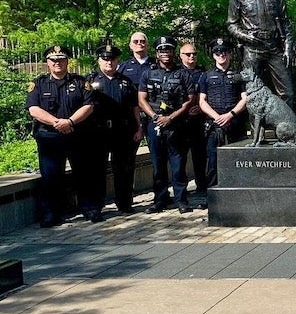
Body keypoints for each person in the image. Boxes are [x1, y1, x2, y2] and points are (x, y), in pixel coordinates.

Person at [27, 45, 95, 227]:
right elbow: (33, 109)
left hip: (77, 134)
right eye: (53, 60)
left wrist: (70, 122)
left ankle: (89, 209)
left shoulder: (81, 82)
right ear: (47, 63)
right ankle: (51, 214)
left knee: (84, 173)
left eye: (61, 59)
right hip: (49, 137)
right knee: (51, 177)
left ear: (67, 61)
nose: (57, 63)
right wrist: (57, 123)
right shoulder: (38, 84)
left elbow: (89, 106)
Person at [138, 36, 197, 214]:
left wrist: (170, 117)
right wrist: (155, 116)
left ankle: (181, 199)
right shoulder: (148, 73)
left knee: (178, 165)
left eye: (169, 50)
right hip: (154, 124)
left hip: (177, 125)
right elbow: (141, 99)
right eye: (162, 51)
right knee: (158, 164)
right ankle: (160, 200)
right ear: (157, 53)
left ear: (173, 53)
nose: (165, 54)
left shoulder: (183, 74)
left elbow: (189, 100)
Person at [226, 0, 294, 107]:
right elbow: (231, 25)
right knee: (252, 92)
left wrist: (288, 48)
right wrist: (246, 37)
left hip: (274, 46)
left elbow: (286, 23)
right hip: (252, 49)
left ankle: (288, 127)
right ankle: (257, 130)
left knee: (287, 92)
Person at [86, 42, 142, 215]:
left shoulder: (125, 81)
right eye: (105, 59)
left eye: (112, 59)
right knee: (97, 169)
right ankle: (97, 205)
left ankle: (124, 203)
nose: (109, 63)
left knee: (124, 168)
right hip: (98, 132)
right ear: (99, 61)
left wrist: (139, 127)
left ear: (117, 61)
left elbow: (135, 106)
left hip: (123, 131)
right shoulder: (90, 81)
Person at [198, 38, 248, 189]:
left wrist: (230, 115)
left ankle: (239, 192)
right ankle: (212, 196)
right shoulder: (205, 76)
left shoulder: (239, 75)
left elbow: (246, 99)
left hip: (235, 122)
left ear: (230, 54)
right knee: (213, 161)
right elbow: (201, 101)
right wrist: (218, 117)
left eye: (224, 52)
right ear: (213, 55)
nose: (221, 55)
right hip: (214, 124)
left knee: (238, 160)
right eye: (218, 52)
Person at [179, 42, 208, 197]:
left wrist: (199, 107)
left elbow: (206, 93)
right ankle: (182, 191)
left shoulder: (202, 73)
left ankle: (202, 187)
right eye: (188, 54)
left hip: (198, 120)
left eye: (194, 54)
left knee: (200, 156)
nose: (192, 57)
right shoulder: (176, 73)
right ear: (181, 56)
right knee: (180, 158)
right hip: (182, 121)